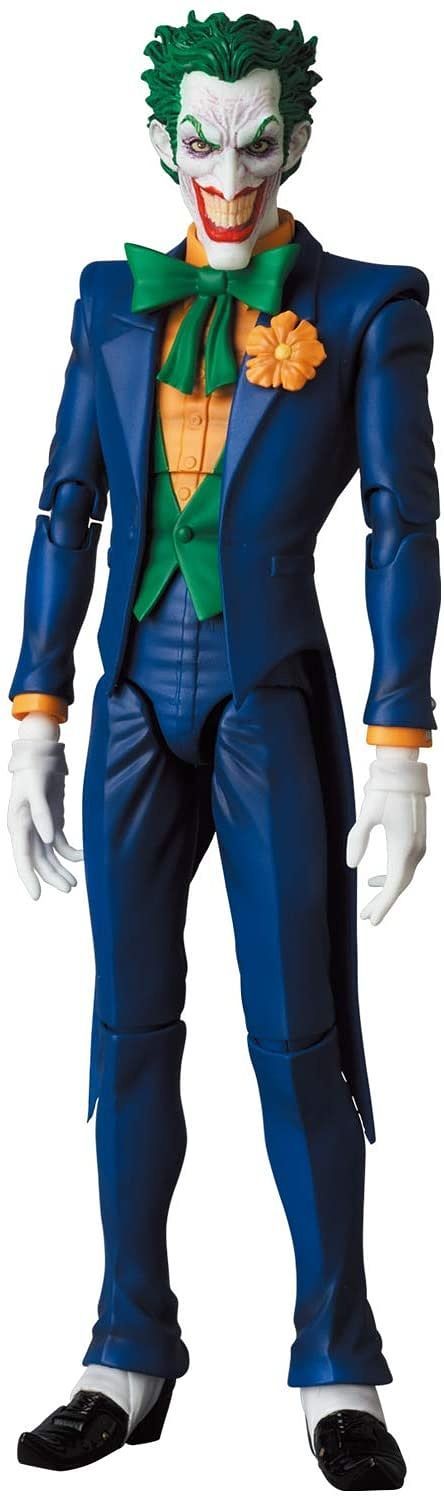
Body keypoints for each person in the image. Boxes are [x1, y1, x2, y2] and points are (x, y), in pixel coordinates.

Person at [8, 11, 439, 1488]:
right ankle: (125, 1346)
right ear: (163, 142)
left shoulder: (368, 304)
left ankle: (338, 1360)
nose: (231, 172)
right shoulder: (106, 301)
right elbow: (65, 507)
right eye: (203, 141)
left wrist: (400, 743)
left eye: (259, 142)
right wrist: (34, 710)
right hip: (135, 692)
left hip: (266, 691)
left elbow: (404, 525)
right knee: (127, 1029)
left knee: (300, 1030)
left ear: (298, 140)